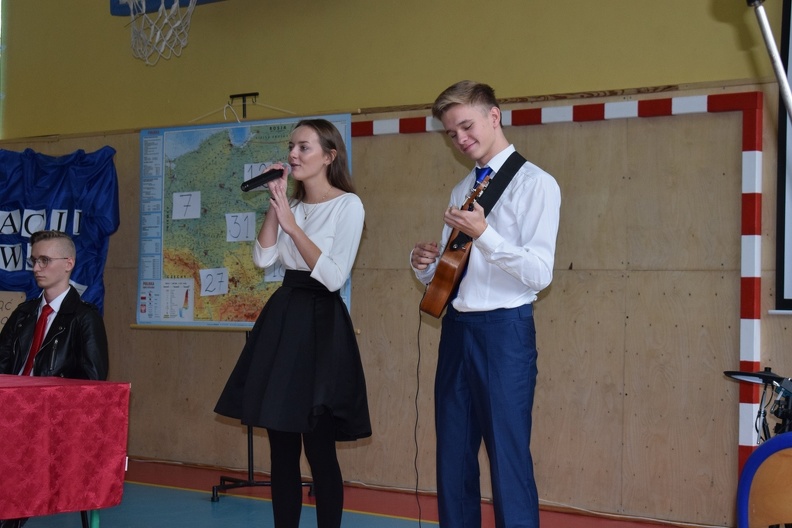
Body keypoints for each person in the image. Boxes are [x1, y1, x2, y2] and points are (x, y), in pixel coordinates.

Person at [410, 80, 561, 528]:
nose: (460, 139)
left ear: (494, 116)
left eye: (466, 126)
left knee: (507, 459)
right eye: (451, 133)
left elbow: (540, 273)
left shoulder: (536, 184)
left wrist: (486, 235)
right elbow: (455, 273)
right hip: (457, 331)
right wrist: (425, 267)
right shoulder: (463, 188)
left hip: (505, 333)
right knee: (453, 458)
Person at [215, 119, 371, 528]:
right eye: (291, 146)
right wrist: (277, 204)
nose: (293, 155)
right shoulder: (292, 207)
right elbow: (263, 258)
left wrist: (293, 227)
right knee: (281, 448)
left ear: (329, 156)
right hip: (285, 318)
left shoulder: (348, 205)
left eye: (304, 147)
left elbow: (334, 277)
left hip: (321, 323)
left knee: (319, 450)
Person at [0, 229, 109, 528]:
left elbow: (93, 382)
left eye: (45, 260)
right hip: (10, 408)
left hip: (51, 416)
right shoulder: (23, 313)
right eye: (34, 260)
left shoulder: (85, 318)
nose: (36, 268)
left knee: (18, 456)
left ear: (68, 263)